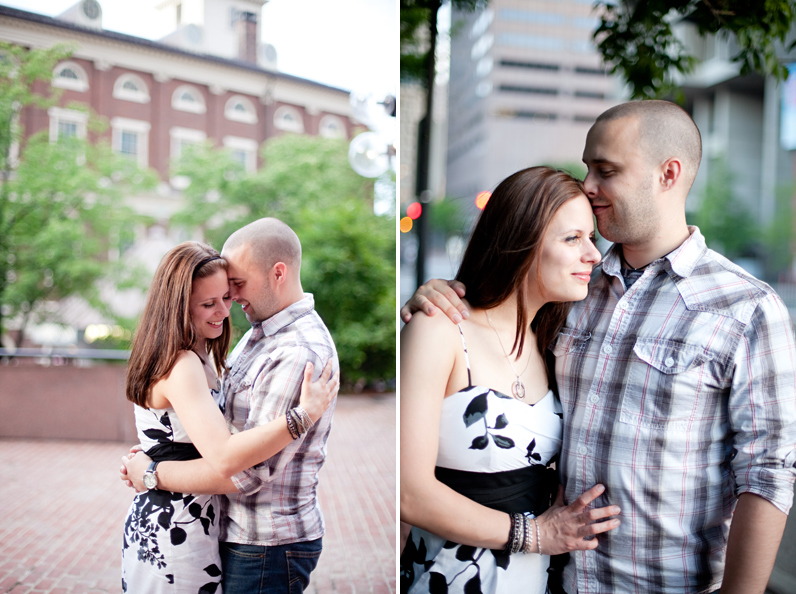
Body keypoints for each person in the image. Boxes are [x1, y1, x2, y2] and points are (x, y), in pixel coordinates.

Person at [402, 100, 796, 593]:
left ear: (667, 174)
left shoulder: (746, 308)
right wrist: (439, 295)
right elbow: (497, 317)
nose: (588, 185)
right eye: (587, 167)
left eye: (605, 170)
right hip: (552, 580)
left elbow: (768, 473)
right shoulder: (572, 293)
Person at [401, 166, 621, 594]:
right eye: (573, 238)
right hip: (449, 579)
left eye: (591, 238)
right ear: (520, 241)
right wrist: (537, 535)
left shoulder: (554, 340)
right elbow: (410, 493)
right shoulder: (440, 329)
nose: (593, 255)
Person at [123, 218, 340, 594]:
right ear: (180, 306)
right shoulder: (241, 340)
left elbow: (248, 472)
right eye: (211, 301)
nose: (228, 305)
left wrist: (151, 472)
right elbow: (227, 455)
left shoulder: (295, 350)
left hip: (264, 542)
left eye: (232, 289)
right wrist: (301, 416)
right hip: (186, 525)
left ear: (277, 273)